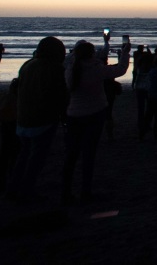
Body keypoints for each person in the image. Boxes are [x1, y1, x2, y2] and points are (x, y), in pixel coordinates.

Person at [62, 37, 130, 204]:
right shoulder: (96, 69)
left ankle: (66, 191)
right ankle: (85, 191)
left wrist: (105, 44)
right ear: (92, 54)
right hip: (95, 114)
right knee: (88, 154)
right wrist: (125, 53)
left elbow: (74, 59)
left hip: (73, 115)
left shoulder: (70, 69)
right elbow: (120, 70)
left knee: (71, 155)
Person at [7, 36, 67, 202]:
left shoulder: (28, 65)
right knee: (36, 159)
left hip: (23, 118)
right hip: (43, 120)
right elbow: (58, 94)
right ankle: (26, 190)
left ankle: (13, 187)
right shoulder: (53, 68)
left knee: (23, 155)